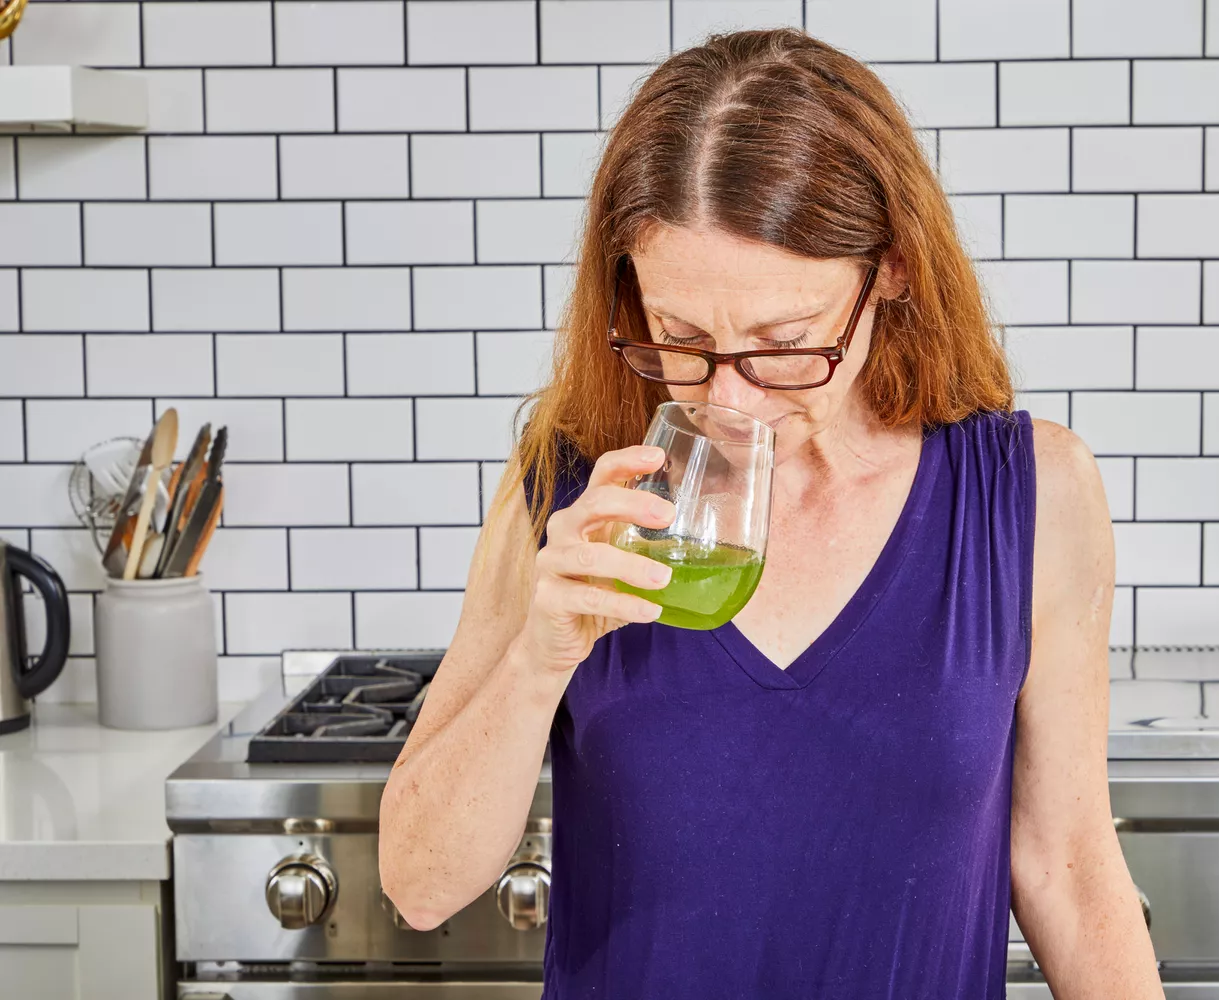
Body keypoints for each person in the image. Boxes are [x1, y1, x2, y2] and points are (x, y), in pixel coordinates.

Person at [379, 28, 1164, 1000]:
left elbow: (1070, 867)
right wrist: (538, 658)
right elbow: (419, 886)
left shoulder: (1034, 494)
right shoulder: (569, 490)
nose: (730, 403)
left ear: (893, 273)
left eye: (783, 344)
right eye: (682, 338)